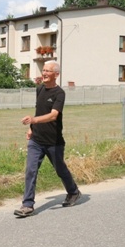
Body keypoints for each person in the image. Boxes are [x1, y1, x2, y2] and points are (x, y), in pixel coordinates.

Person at [14, 60, 81, 218]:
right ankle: (27, 205)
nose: (44, 73)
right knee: (31, 170)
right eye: (43, 70)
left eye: (48, 71)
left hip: (53, 141)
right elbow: (39, 110)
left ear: (56, 75)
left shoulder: (59, 94)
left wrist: (33, 121)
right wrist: (31, 129)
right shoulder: (40, 89)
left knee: (60, 169)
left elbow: (53, 115)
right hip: (36, 140)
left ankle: (73, 191)